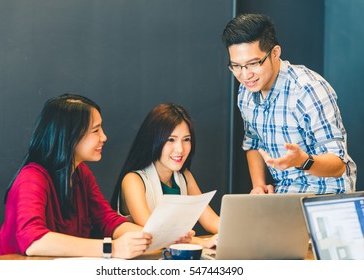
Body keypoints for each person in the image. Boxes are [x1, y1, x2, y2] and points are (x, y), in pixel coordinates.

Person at [0, 94, 152, 259]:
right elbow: (34, 242)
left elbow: (107, 220)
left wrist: (152, 236)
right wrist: (112, 248)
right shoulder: (32, 178)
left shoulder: (81, 172)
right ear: (70, 135)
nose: (104, 137)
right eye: (95, 130)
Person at [221, 14, 356, 194]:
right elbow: (253, 144)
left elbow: (339, 165)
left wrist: (302, 160)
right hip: (284, 194)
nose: (245, 75)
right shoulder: (246, 92)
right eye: (236, 66)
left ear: (275, 53)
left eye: (253, 63)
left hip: (326, 195)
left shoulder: (308, 90)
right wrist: (259, 186)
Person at [111, 103, 219, 248]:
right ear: (153, 140)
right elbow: (154, 234)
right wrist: (201, 242)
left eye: (186, 139)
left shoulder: (184, 176)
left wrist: (238, 232)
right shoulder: (133, 180)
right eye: (171, 140)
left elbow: (211, 220)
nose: (180, 149)